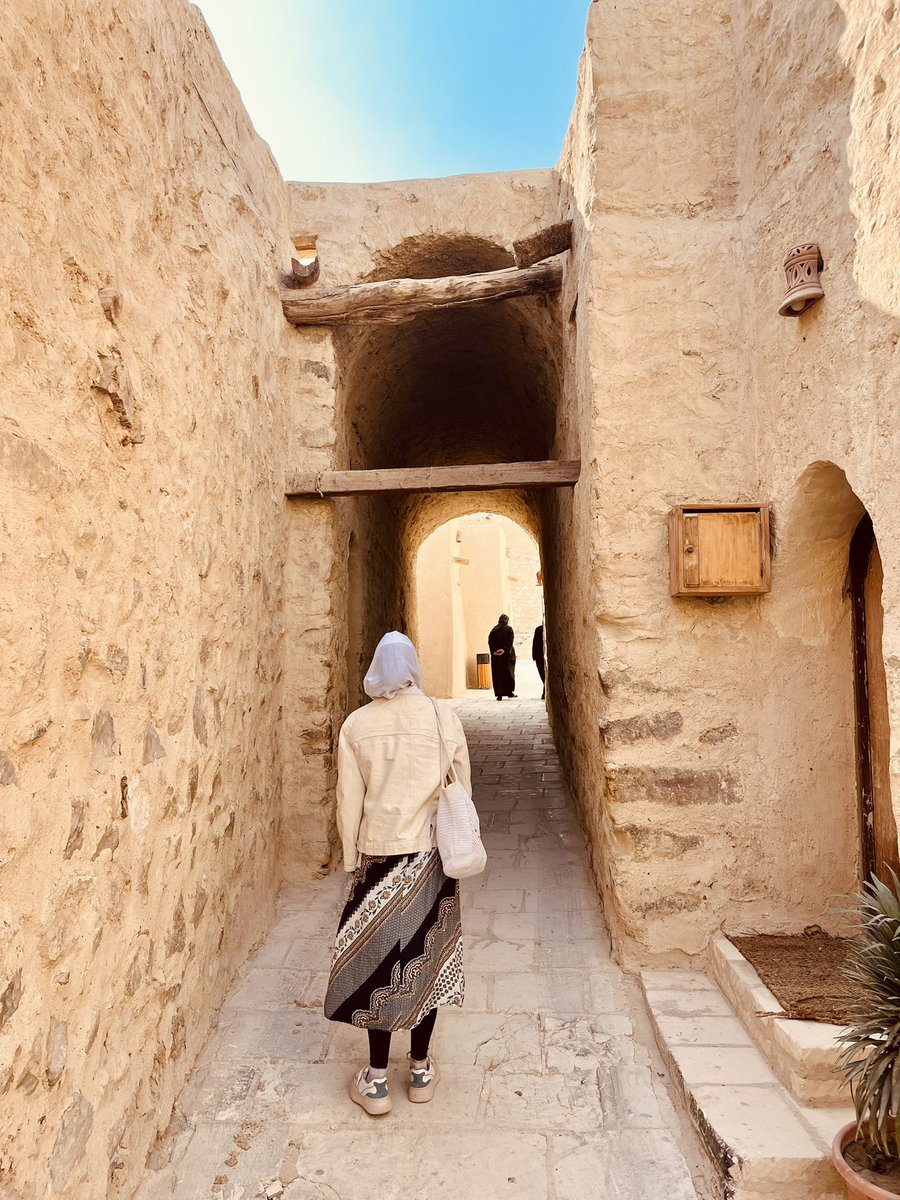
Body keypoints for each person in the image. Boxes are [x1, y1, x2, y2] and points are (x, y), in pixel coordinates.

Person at [324, 631, 471, 1117]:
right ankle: (423, 1070)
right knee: (426, 961)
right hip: (429, 858)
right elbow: (462, 788)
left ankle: (378, 1080)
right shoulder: (442, 716)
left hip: (380, 859)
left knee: (378, 968)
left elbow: (348, 801)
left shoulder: (357, 726)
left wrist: (351, 859)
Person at [488, 613, 516, 700]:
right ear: (507, 621)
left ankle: (499, 694)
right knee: (508, 673)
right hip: (507, 656)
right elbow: (510, 642)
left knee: (498, 674)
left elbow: (490, 642)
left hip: (497, 657)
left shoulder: (493, 630)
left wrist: (495, 651)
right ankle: (509, 692)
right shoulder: (509, 629)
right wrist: (503, 650)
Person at [532, 623, 546, 701]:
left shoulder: (538, 629)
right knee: (544, 675)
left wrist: (534, 656)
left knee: (542, 674)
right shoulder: (539, 629)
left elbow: (535, 643)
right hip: (541, 656)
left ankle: (545, 691)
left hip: (539, 656)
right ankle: (545, 690)